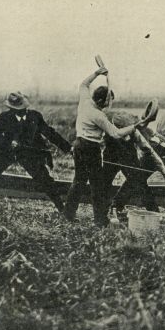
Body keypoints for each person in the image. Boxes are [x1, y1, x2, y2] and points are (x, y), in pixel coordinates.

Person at [64, 66, 146, 227]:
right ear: (101, 101)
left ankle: (68, 215)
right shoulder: (98, 115)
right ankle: (100, 221)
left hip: (78, 144)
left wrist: (96, 73)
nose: (110, 105)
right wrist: (135, 126)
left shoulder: (85, 101)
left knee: (79, 181)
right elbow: (115, 134)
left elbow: (83, 85)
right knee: (97, 186)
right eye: (109, 101)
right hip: (90, 149)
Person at [0, 92, 72, 212]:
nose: (22, 111)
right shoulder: (4, 117)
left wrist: (68, 148)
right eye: (17, 109)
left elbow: (50, 133)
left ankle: (62, 210)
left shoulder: (35, 117)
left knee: (45, 180)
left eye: (23, 108)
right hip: (8, 152)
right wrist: (7, 142)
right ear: (11, 108)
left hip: (29, 154)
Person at [102, 107, 165, 214]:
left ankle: (153, 212)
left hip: (128, 156)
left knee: (139, 181)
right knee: (103, 184)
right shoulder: (107, 129)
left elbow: (148, 150)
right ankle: (102, 213)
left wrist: (162, 168)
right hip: (110, 157)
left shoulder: (134, 132)